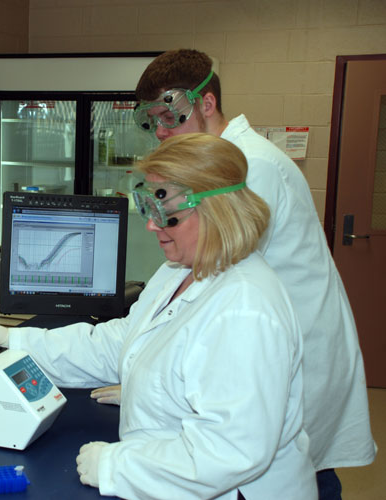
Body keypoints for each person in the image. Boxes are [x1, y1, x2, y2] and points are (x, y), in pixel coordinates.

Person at [0, 133, 317, 499]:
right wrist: (12, 340)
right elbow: (120, 343)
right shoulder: (179, 271)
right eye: (149, 206)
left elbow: (230, 451)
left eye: (167, 213)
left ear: (217, 210)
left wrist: (117, 466)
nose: (151, 225)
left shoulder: (245, 308)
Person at [92, 48, 375, 498]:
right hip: (257, 358)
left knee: (295, 473)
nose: (162, 132)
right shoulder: (223, 161)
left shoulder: (246, 166)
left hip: (278, 354)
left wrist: (153, 380)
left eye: (171, 115)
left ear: (206, 103)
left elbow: (209, 270)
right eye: (151, 122)